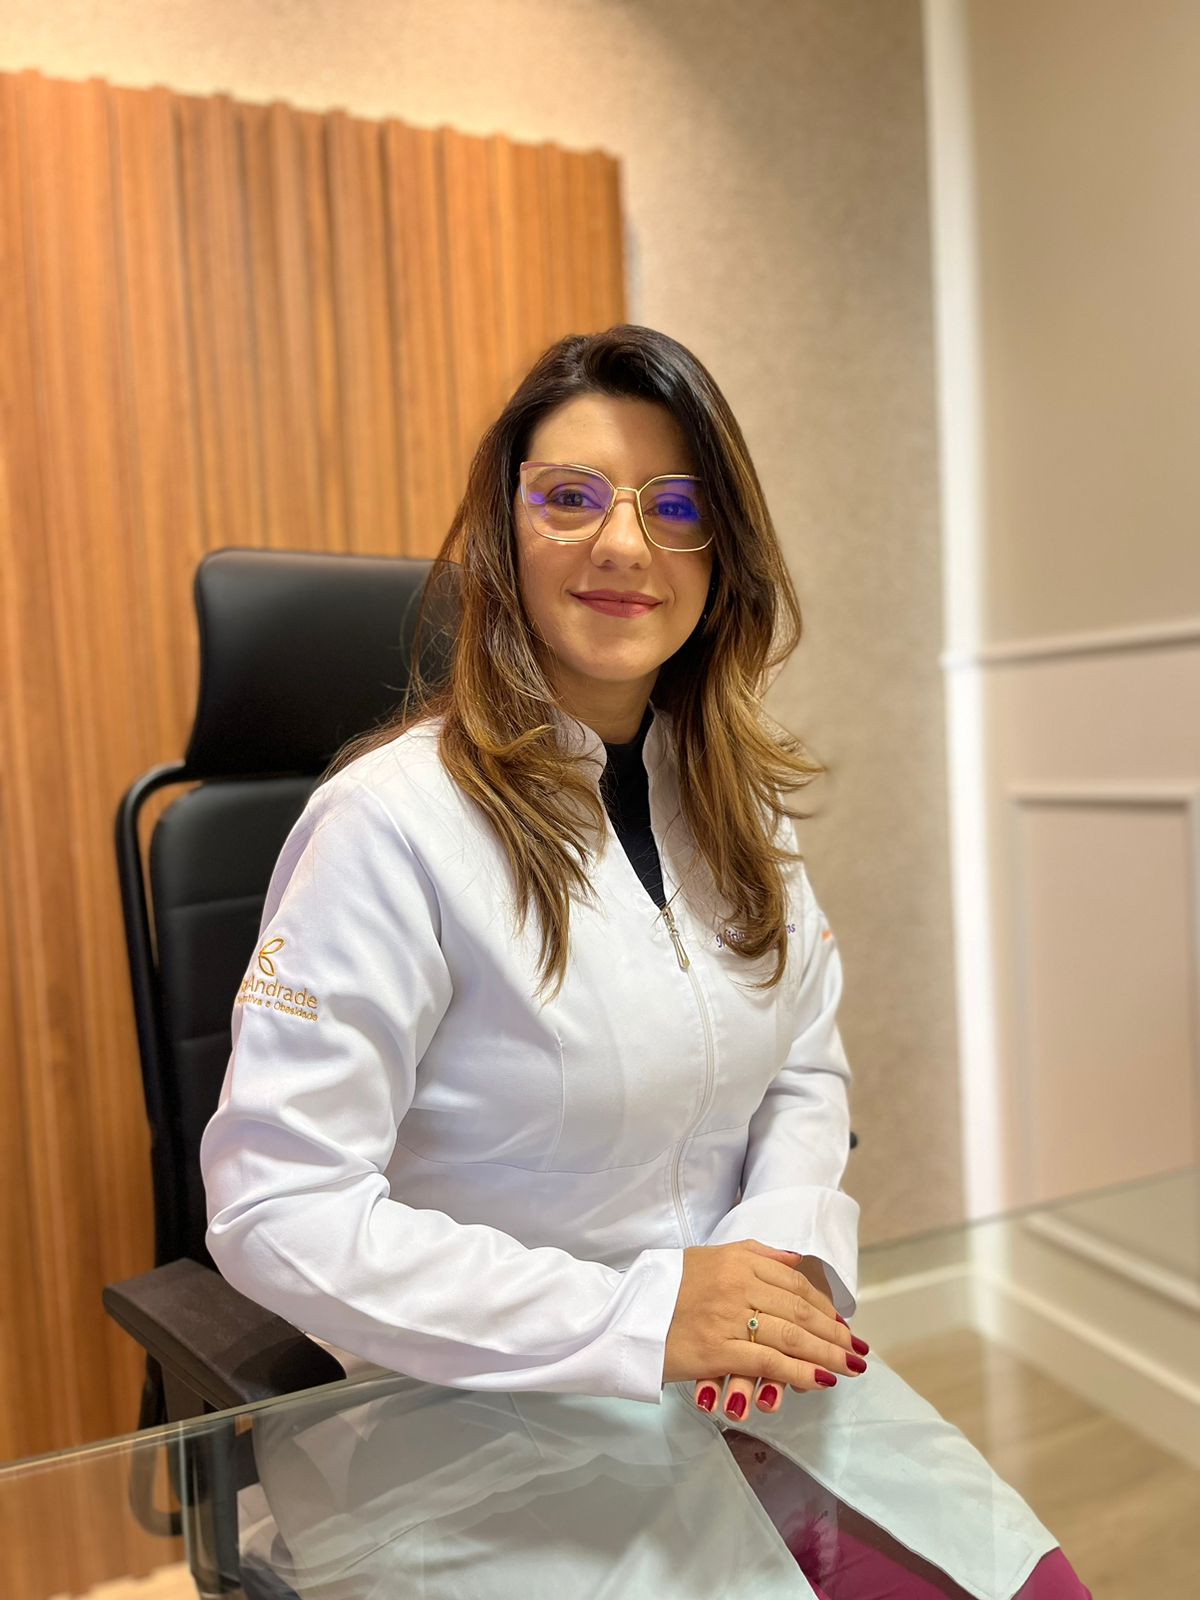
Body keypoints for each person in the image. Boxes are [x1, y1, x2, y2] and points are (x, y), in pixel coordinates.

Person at [200, 325, 1091, 1597]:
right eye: (570, 497)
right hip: (474, 1417)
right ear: (504, 534)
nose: (625, 543)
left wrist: (775, 1252)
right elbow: (279, 1209)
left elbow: (805, 1072)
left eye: (676, 506)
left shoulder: (740, 806)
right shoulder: (388, 826)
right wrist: (643, 1315)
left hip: (745, 1381)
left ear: (720, 557)